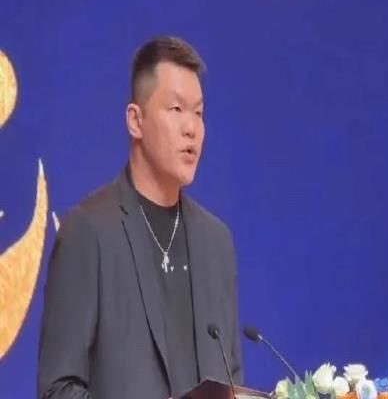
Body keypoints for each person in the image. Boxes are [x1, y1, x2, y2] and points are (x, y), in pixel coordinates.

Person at [38, 37, 243, 399]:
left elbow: (231, 383)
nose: (192, 128)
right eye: (176, 109)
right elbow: (57, 389)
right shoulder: (88, 231)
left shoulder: (216, 242)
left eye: (199, 113)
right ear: (135, 120)